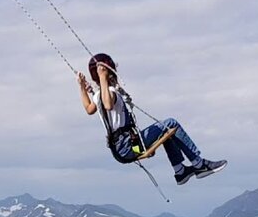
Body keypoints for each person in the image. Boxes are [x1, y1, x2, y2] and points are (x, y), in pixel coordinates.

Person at [78, 53, 226, 185]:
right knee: (171, 123)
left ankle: (180, 171)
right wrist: (103, 78)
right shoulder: (108, 93)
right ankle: (199, 164)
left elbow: (89, 109)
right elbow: (109, 105)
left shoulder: (99, 96)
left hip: (119, 149)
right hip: (127, 146)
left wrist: (82, 87)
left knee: (165, 131)